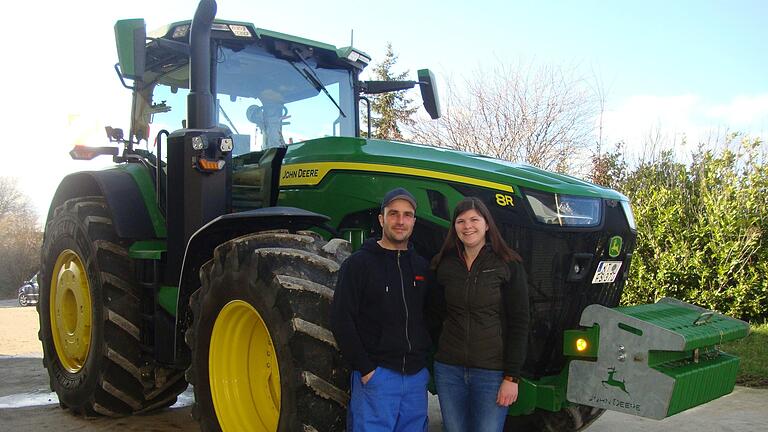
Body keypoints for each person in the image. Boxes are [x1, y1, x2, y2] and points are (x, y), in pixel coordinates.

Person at [330, 187, 432, 432]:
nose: (400, 221)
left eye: (407, 215)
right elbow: (341, 319)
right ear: (381, 219)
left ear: (414, 221)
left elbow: (431, 317)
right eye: (393, 213)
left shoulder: (421, 266)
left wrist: (424, 362)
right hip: (377, 377)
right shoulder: (358, 264)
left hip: (416, 379)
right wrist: (366, 369)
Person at [430, 196, 530, 432]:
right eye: (461, 221)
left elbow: (520, 322)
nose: (468, 226)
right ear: (454, 228)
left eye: (475, 219)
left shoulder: (508, 264)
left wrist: (511, 377)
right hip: (449, 371)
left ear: (487, 225)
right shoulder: (443, 265)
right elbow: (432, 315)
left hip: (492, 374)